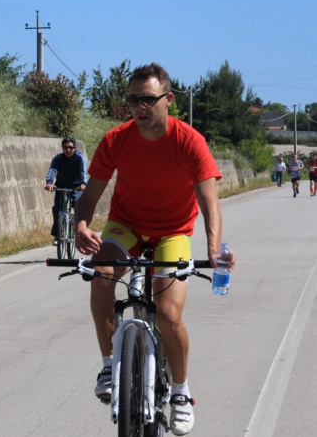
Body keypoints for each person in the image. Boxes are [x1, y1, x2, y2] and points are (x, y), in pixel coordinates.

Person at [74, 63, 236, 436]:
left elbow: (210, 202)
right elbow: (90, 196)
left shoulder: (188, 141)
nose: (139, 107)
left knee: (167, 314)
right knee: (100, 278)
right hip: (126, 226)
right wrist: (81, 226)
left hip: (172, 231)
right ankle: (108, 364)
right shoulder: (116, 140)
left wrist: (213, 249)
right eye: (133, 100)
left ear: (168, 100)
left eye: (148, 99)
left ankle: (180, 392)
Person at [45, 137, 87, 245]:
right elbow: (52, 170)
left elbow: (83, 171)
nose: (68, 150)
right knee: (57, 209)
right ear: (62, 148)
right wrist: (49, 183)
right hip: (61, 186)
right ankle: (57, 236)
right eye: (65, 148)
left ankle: (79, 230)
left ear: (75, 148)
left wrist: (83, 183)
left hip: (76, 187)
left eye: (70, 147)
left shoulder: (79, 158)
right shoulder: (57, 159)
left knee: (78, 205)